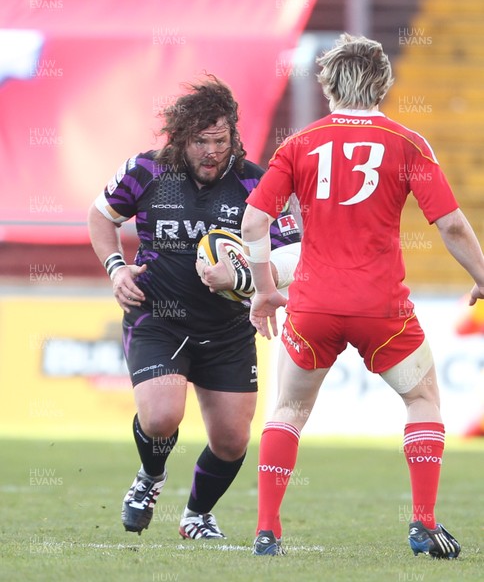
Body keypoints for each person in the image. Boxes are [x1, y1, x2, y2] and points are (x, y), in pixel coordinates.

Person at [241, 34, 484, 558]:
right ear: (384, 83)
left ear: (328, 85)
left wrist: (264, 291)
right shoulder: (407, 142)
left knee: (287, 411)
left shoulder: (298, 144)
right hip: (382, 308)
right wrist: (483, 276)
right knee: (422, 401)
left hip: (313, 306)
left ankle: (267, 531)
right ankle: (422, 524)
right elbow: (452, 227)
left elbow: (255, 220)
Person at [87, 75, 300, 540]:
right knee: (161, 416)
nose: (210, 151)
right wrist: (117, 268)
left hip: (227, 328)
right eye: (200, 141)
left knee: (231, 441)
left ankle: (197, 514)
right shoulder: (147, 171)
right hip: (156, 316)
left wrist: (245, 279)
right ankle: (151, 477)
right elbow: (101, 215)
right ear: (182, 138)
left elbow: (294, 250)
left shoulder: (256, 182)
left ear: (234, 136)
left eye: (219, 140)